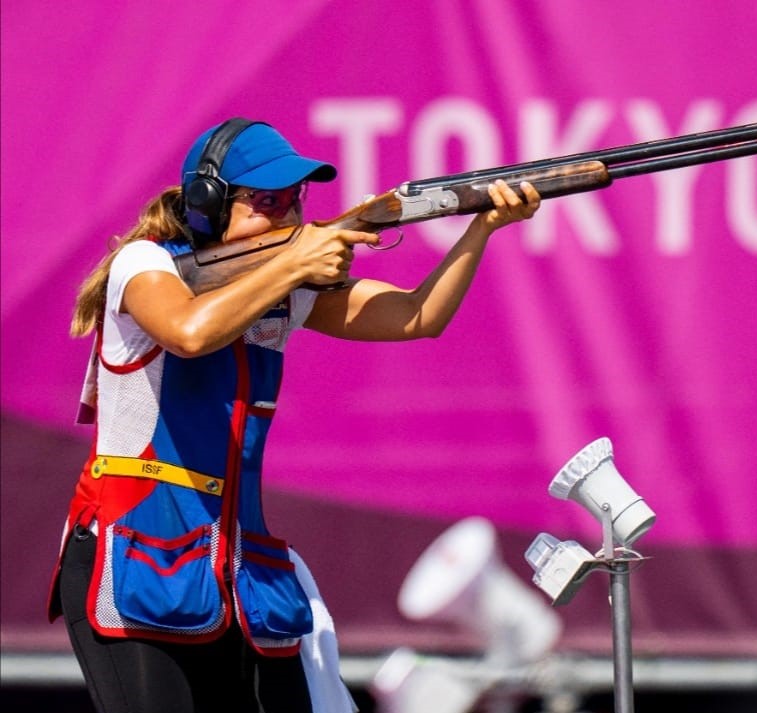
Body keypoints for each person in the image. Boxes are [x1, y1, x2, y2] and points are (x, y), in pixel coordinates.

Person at [48, 118, 541, 713]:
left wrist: (481, 228)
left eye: (292, 200)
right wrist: (295, 263)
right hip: (136, 557)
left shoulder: (285, 286)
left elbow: (417, 316)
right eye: (265, 203)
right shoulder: (145, 262)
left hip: (235, 576)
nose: (285, 216)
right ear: (208, 202)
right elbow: (189, 332)